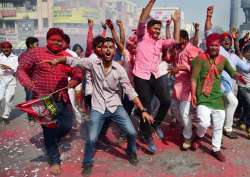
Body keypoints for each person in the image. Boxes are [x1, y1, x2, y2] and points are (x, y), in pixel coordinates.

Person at [45, 37, 154, 175]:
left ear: (114, 52)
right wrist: (57, 60)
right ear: (101, 50)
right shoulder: (93, 63)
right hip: (98, 107)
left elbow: (130, 91)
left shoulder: (119, 69)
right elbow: (73, 60)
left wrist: (143, 110)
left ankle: (131, 152)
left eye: (111, 47)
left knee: (132, 132)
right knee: (91, 138)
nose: (108, 49)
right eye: (105, 47)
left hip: (115, 106)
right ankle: (87, 163)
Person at [17, 28, 84, 176]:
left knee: (67, 126)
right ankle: (54, 160)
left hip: (62, 99)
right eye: (53, 40)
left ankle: (52, 140)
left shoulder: (65, 56)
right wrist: (29, 84)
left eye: (59, 41)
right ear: (47, 40)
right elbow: (21, 70)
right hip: (44, 100)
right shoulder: (35, 53)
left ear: (63, 42)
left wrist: (74, 80)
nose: (56, 43)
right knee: (49, 129)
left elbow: (78, 72)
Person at [133, 0, 180, 153]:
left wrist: (177, 22)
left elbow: (176, 41)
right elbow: (142, 19)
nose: (157, 31)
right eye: (155, 28)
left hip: (155, 75)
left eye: (159, 29)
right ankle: (147, 138)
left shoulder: (160, 43)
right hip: (141, 76)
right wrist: (151, 2)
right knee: (145, 108)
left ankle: (156, 124)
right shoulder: (141, 36)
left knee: (166, 101)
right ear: (148, 28)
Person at [191, 33, 246, 162]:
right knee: (204, 123)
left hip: (217, 98)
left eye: (216, 45)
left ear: (219, 46)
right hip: (203, 97)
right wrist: (193, 94)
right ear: (208, 45)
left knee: (218, 126)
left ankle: (215, 149)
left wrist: (238, 76)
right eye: (211, 45)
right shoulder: (200, 59)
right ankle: (198, 136)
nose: (214, 47)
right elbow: (193, 78)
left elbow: (232, 72)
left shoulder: (223, 60)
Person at [205, 6, 250, 139]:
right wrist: (208, 17)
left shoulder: (234, 57)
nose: (226, 41)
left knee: (226, 107)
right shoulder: (219, 51)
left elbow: (246, 68)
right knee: (233, 102)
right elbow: (208, 32)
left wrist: (235, 41)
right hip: (216, 85)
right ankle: (226, 128)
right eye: (224, 39)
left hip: (228, 87)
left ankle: (220, 129)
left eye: (228, 40)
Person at [169, 29, 201, 150]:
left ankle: (187, 137)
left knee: (184, 113)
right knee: (174, 110)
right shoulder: (177, 49)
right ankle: (188, 126)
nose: (177, 41)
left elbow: (195, 67)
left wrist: (181, 67)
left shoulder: (191, 49)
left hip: (187, 85)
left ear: (185, 38)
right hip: (177, 84)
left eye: (178, 38)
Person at [62, 34, 85, 124]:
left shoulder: (72, 54)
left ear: (67, 43)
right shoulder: (54, 53)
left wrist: (75, 81)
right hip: (58, 85)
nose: (59, 43)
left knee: (72, 103)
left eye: (61, 41)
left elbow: (78, 69)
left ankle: (79, 121)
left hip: (70, 83)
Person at [0, 41, 18, 124]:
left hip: (11, 81)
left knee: (8, 100)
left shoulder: (15, 57)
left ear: (11, 48)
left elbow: (17, 69)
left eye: (8, 47)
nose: (6, 49)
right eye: (4, 47)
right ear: (1, 48)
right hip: (1, 80)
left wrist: (9, 67)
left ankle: (5, 116)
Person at [18, 37, 39, 109]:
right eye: (37, 44)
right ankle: (30, 116)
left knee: (39, 97)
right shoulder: (24, 56)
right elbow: (22, 70)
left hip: (38, 80)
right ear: (30, 45)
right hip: (29, 80)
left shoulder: (36, 54)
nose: (38, 46)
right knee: (30, 96)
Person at [237, 44, 250, 139]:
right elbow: (238, 51)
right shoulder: (242, 60)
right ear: (244, 52)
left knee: (246, 106)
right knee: (249, 104)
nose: (249, 53)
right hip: (242, 87)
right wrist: (235, 40)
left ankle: (241, 121)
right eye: (248, 51)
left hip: (249, 88)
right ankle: (248, 126)